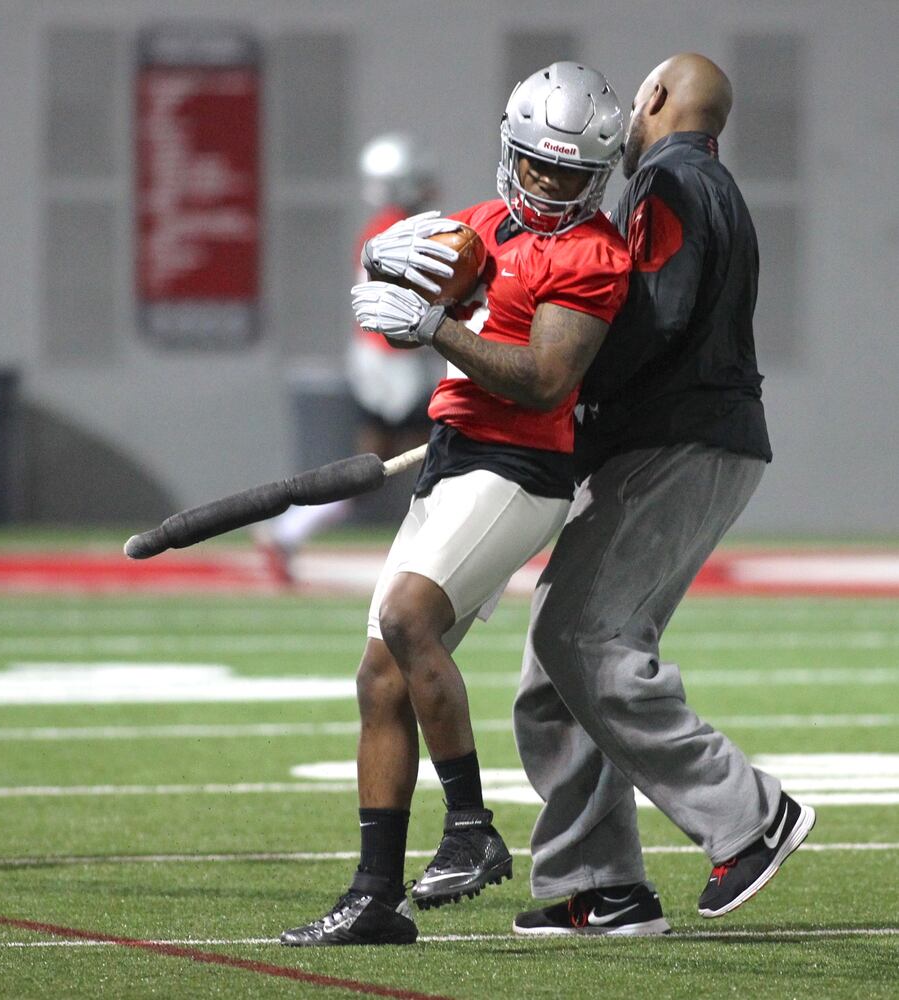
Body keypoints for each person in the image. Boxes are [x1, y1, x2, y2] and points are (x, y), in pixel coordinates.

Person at [280, 62, 630, 945]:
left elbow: (547, 381)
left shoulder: (592, 253)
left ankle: (471, 827)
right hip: (453, 458)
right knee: (378, 681)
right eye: (536, 164)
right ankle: (373, 898)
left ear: (599, 174)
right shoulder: (481, 223)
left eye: (568, 172)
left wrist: (432, 326)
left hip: (519, 468)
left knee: (404, 620)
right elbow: (411, 260)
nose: (548, 185)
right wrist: (387, 261)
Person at [510, 53, 813, 937]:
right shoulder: (709, 183)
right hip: (691, 440)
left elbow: (654, 313)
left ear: (651, 99)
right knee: (552, 664)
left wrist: (554, 375)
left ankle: (749, 816)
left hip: (676, 443)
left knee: (580, 635)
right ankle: (599, 884)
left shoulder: (667, 182)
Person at [256, 133, 444, 583]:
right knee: (449, 451)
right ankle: (438, 554)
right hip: (394, 366)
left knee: (375, 470)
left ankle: (288, 532)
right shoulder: (399, 231)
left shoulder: (383, 228)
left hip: (381, 363)